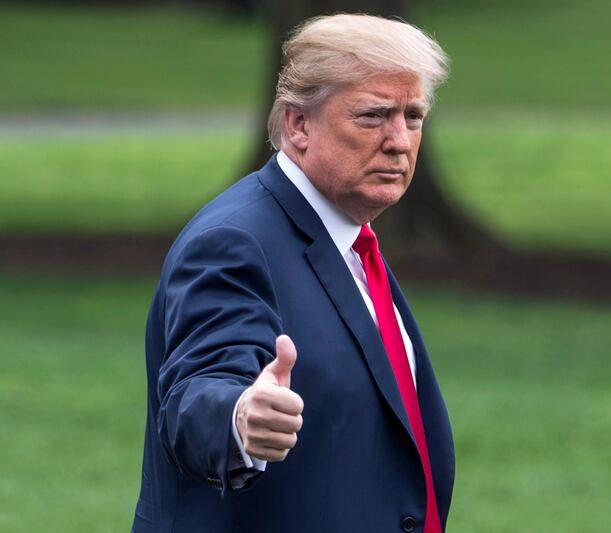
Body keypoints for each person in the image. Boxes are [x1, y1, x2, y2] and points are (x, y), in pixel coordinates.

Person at [131, 13, 455, 533]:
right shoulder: (234, 241)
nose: (399, 141)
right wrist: (239, 418)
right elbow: (198, 389)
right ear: (297, 125)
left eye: (413, 117)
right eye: (373, 116)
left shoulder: (348, 236)